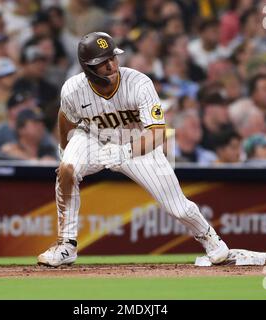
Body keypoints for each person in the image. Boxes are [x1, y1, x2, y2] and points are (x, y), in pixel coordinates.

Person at [37, 32, 229, 267]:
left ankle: (211, 239)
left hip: (138, 142)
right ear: (88, 68)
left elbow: (158, 132)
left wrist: (126, 151)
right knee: (67, 169)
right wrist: (64, 148)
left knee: (177, 208)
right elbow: (66, 117)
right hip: (93, 137)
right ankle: (66, 245)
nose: (111, 65)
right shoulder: (73, 89)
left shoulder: (139, 83)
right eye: (103, 62)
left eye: (113, 58)